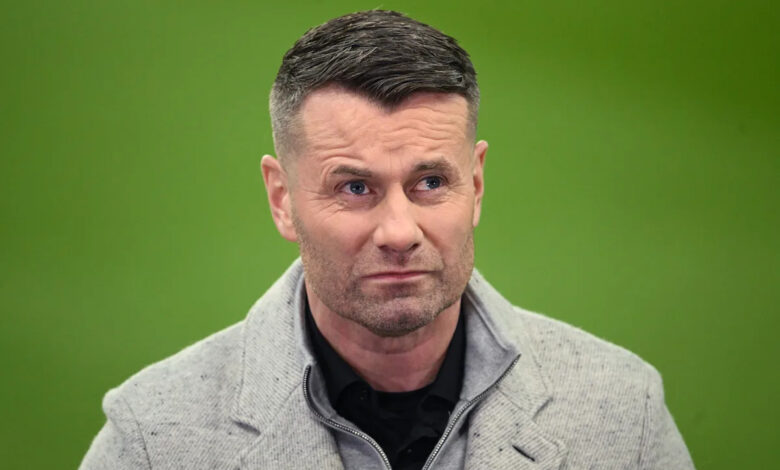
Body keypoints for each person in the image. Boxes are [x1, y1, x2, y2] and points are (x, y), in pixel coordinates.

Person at [80, 10, 694, 470]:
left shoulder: (624, 410)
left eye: (431, 182)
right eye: (354, 187)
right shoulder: (152, 438)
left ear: (476, 185)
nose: (399, 232)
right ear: (282, 199)